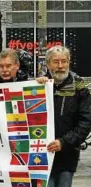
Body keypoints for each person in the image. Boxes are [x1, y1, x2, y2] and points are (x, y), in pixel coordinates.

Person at [39, 46, 91, 187]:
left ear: (69, 62)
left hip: (67, 155)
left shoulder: (80, 88)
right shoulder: (39, 86)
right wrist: (37, 88)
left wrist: (64, 142)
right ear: (48, 64)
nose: (60, 66)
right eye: (55, 62)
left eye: (64, 61)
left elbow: (85, 122)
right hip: (43, 155)